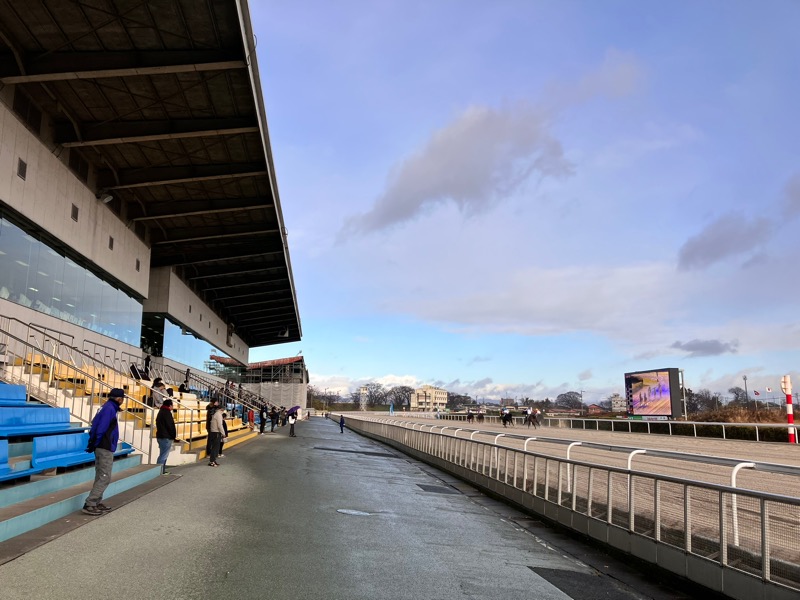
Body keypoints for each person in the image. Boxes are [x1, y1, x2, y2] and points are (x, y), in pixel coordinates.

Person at [83, 388, 125, 515]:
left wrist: (93, 443)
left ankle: (96, 502)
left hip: (102, 445)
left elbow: (94, 423)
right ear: (119, 399)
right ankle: (90, 503)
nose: (123, 401)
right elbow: (101, 428)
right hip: (104, 446)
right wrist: (94, 442)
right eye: (122, 399)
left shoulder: (106, 407)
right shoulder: (109, 409)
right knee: (105, 477)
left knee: (101, 475)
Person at [155, 398, 177, 473]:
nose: (172, 407)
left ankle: (160, 470)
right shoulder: (167, 413)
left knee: (162, 454)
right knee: (163, 455)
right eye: (172, 405)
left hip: (160, 436)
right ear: (170, 405)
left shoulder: (161, 412)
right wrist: (173, 435)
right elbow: (170, 425)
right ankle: (160, 471)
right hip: (166, 437)